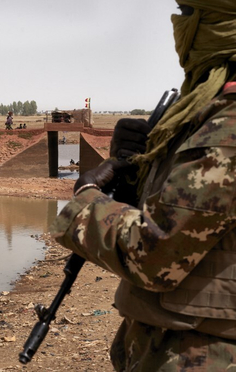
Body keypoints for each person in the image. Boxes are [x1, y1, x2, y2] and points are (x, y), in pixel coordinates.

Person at [49, 1, 236, 370]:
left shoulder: (226, 125)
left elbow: (156, 252)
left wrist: (86, 199)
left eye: (187, 14)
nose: (177, 27)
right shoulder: (203, 110)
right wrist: (139, 163)